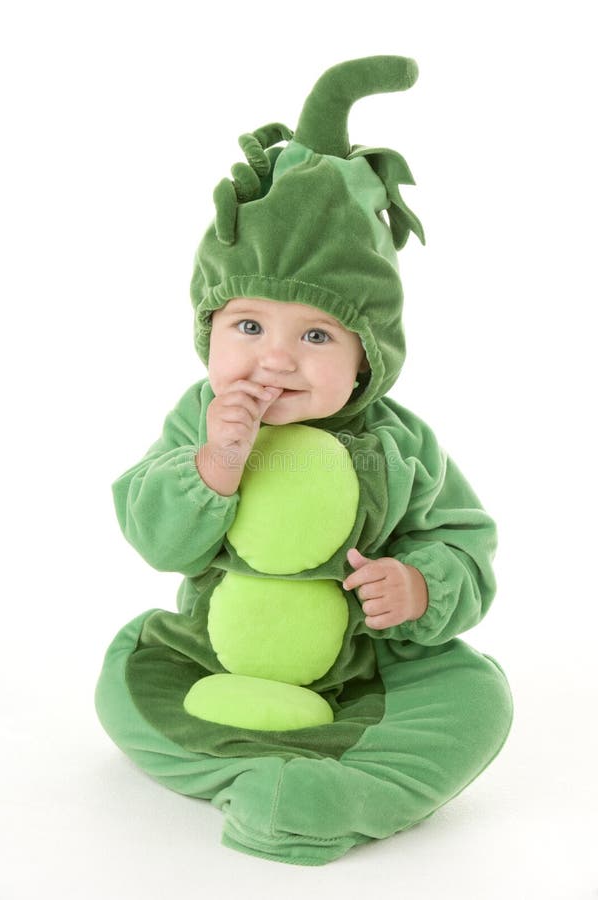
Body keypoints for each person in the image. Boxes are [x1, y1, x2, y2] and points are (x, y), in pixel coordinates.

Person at [95, 55, 513, 866]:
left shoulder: (400, 443)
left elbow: (466, 538)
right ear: (210, 331)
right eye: (247, 326)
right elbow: (156, 537)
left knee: (477, 699)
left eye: (316, 335)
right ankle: (264, 767)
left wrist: (421, 584)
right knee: (125, 683)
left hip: (364, 669)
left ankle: (316, 794)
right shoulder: (199, 418)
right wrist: (214, 463)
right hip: (216, 654)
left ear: (367, 358)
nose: (275, 361)